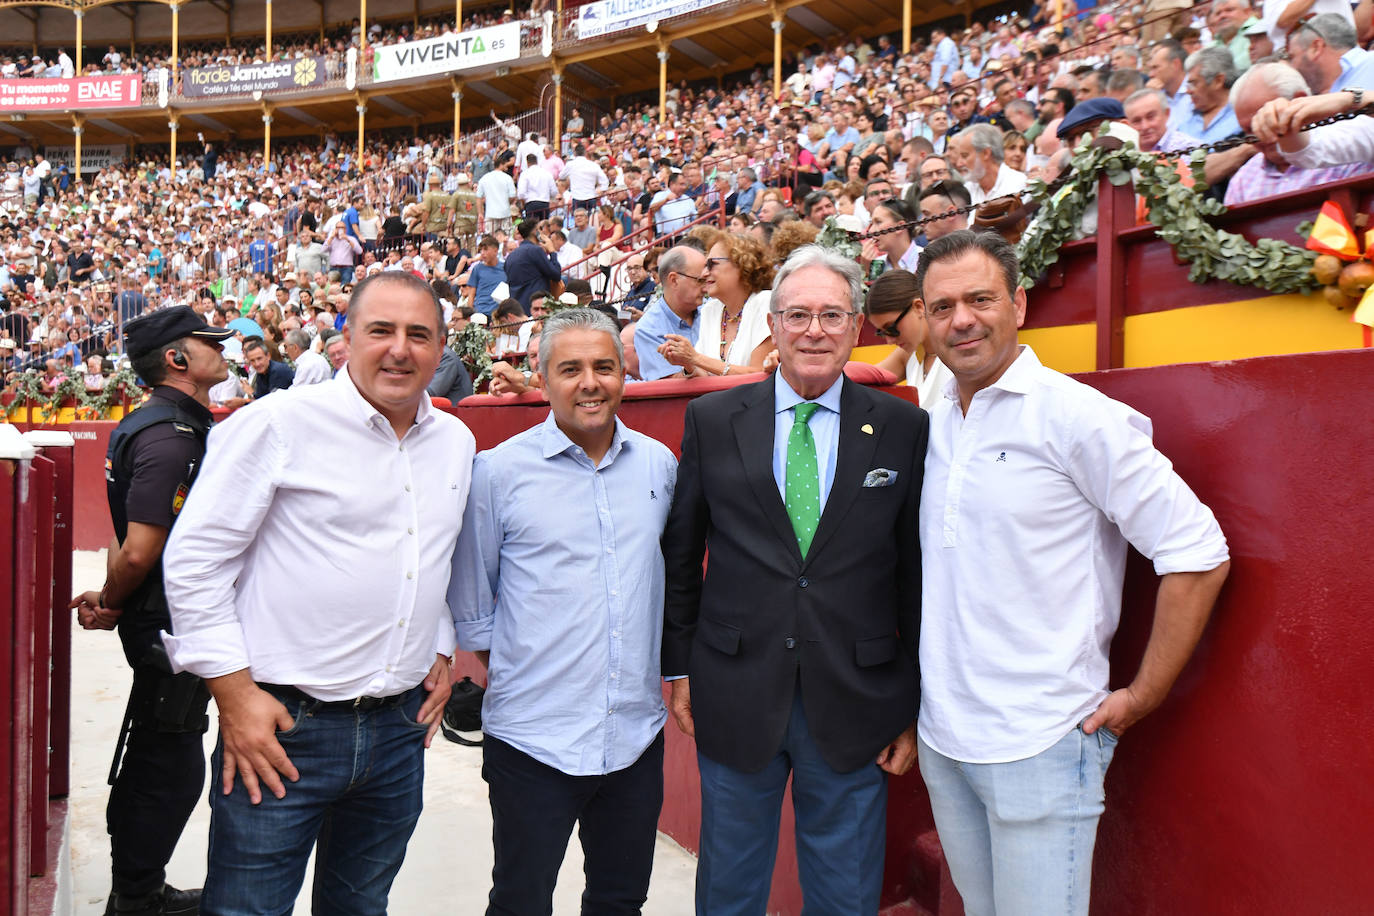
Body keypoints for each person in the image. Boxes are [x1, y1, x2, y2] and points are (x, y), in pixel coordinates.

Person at [913, 230, 1231, 916]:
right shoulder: (935, 420)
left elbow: (1197, 552)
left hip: (1043, 741)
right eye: (941, 307)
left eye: (979, 299)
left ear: (1019, 303)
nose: (961, 319)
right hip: (944, 738)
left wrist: (1143, 695)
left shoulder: (1079, 417)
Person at [161, 272, 475, 914]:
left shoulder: (456, 441)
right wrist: (235, 694)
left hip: (397, 731)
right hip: (281, 728)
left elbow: (429, 556)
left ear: (442, 347)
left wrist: (440, 644)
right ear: (346, 340)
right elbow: (195, 561)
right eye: (381, 331)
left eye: (419, 335)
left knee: (361, 907)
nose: (399, 349)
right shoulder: (276, 425)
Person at [661, 245, 927, 913]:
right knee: (730, 887)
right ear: (772, 325)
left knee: (846, 893)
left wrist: (913, 699)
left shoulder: (903, 428)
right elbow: (682, 550)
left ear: (858, 324)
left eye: (832, 316)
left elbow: (915, 573)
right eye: (798, 315)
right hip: (734, 689)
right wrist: (678, 666)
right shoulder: (714, 420)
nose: (815, 331)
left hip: (857, 697)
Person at [450, 308, 676, 915]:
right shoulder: (497, 473)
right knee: (522, 900)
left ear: (624, 374)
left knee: (621, 899)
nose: (590, 382)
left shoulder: (659, 465)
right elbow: (474, 605)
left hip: (633, 736)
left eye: (604, 366)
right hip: (533, 741)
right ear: (542, 379)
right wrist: (533, 670)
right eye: (570, 369)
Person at [70, 306, 234, 916]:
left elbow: (126, 537)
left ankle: (138, 888)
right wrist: (115, 600)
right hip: (171, 624)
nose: (222, 349)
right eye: (208, 342)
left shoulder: (160, 423)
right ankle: (136, 898)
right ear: (176, 359)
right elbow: (139, 549)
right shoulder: (172, 435)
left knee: (159, 756)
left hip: (161, 616)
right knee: (166, 767)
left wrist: (117, 598)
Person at [660, 235, 774, 377]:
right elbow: (705, 375)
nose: (704, 274)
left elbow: (759, 374)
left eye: (711, 264)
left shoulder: (764, 303)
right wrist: (687, 364)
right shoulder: (710, 310)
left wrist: (695, 358)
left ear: (742, 264)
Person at [864, 268, 952, 406]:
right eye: (882, 333)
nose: (889, 341)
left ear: (918, 307)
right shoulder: (910, 353)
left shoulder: (959, 348)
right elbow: (862, 381)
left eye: (892, 329)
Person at [633, 245, 707, 381]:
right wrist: (690, 368)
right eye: (700, 280)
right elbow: (671, 386)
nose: (706, 287)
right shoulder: (648, 329)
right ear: (674, 280)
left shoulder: (713, 311)